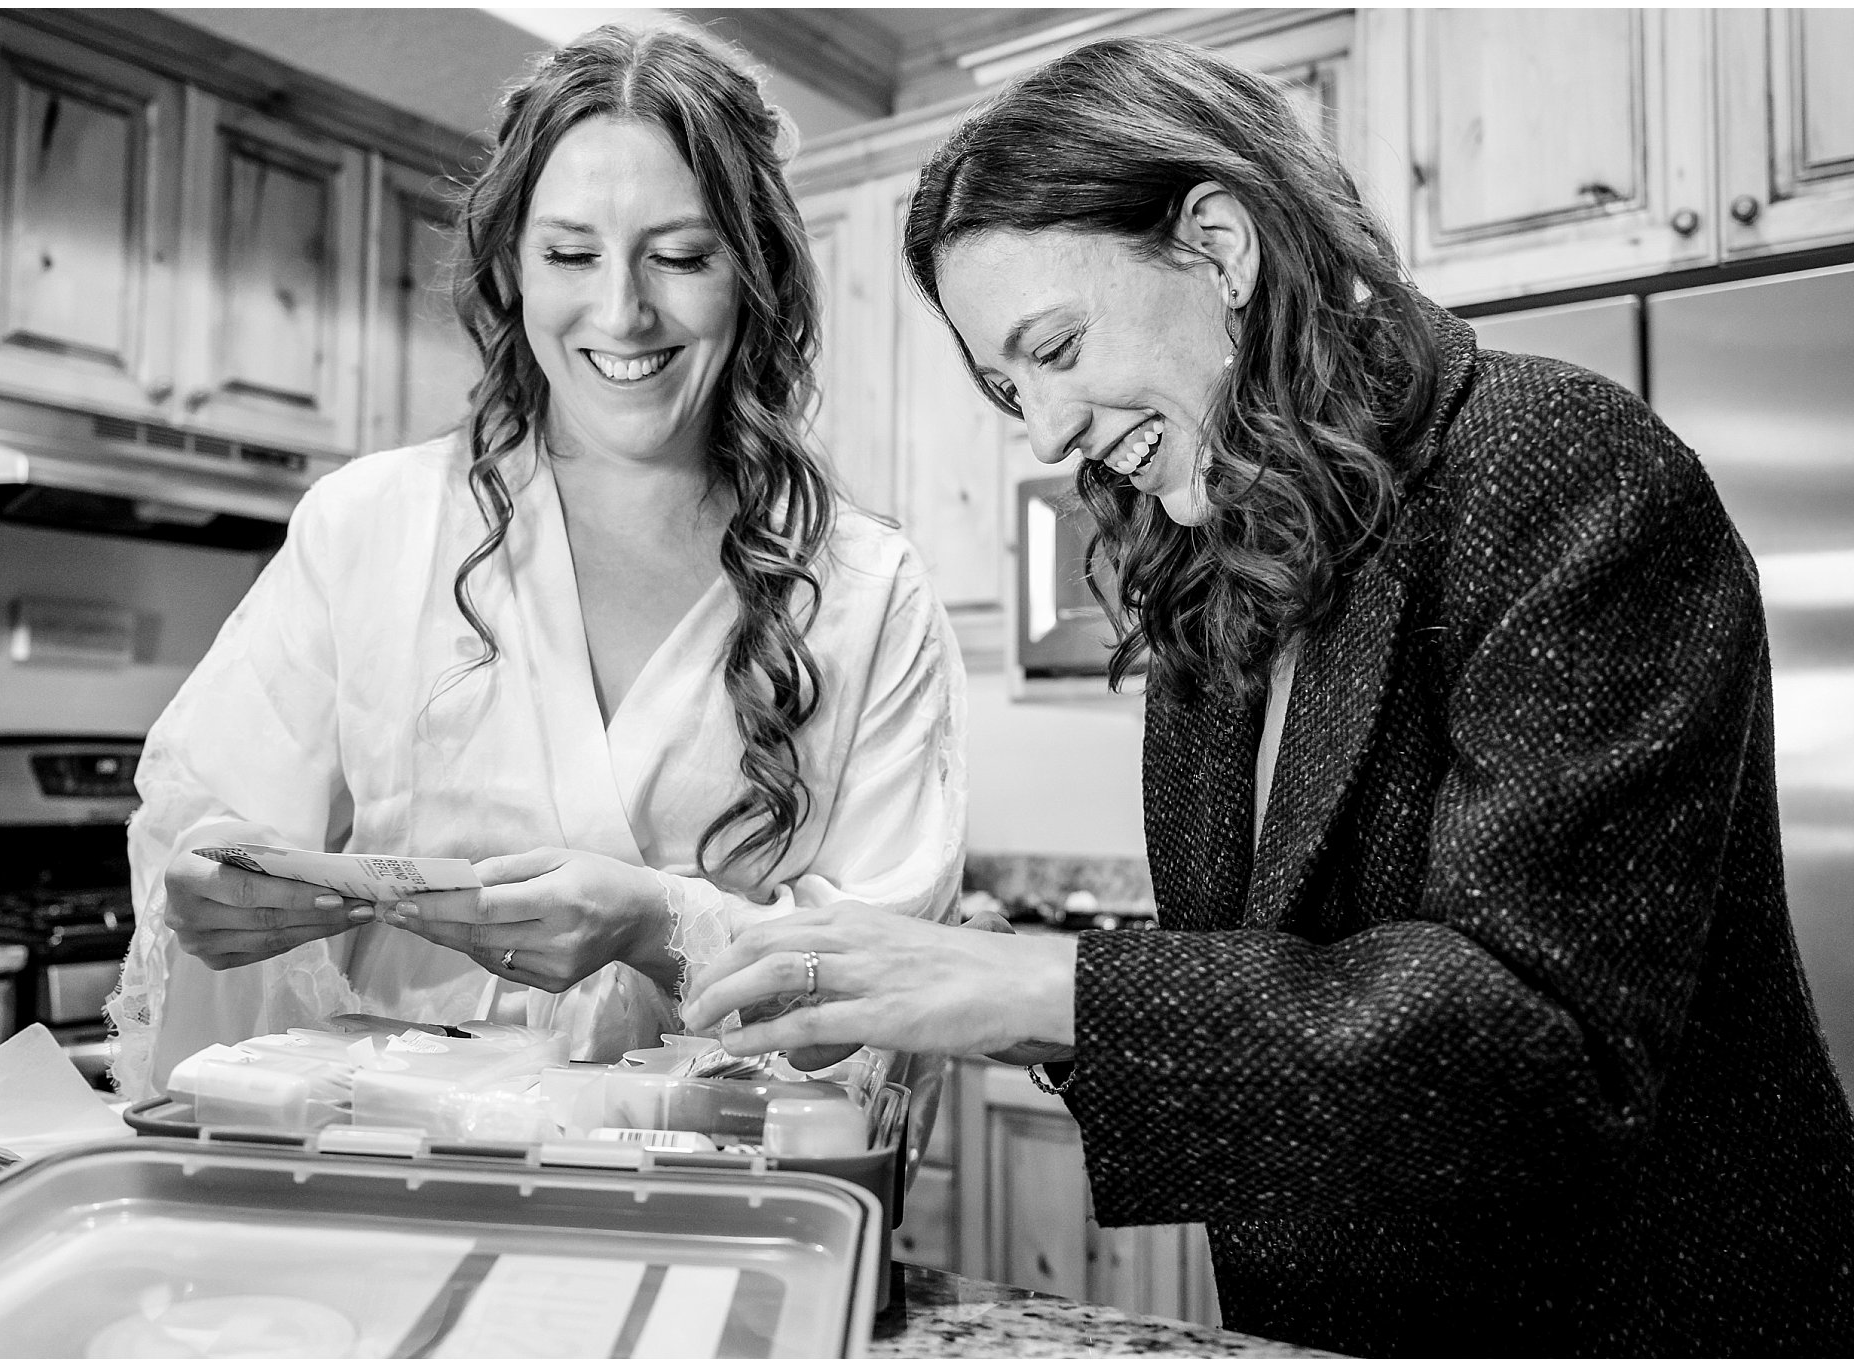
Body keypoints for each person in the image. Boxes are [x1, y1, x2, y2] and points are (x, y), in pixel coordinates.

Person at [684, 35, 1851, 1358]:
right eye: (1013, 387)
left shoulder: (1559, 469)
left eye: (1057, 346)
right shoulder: (1214, 582)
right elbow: (1266, 1005)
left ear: (1221, 248)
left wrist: (1043, 984)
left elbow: (1539, 1041)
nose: (1047, 433)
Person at [108, 23, 966, 1107]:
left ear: (754, 276)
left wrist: (661, 926)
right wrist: (212, 887)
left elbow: (898, 979)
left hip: (723, 1204)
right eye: (570, 254)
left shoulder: (863, 590)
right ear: (511, 268)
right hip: (391, 1172)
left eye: (682, 255)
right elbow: (205, 822)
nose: (621, 311)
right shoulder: (368, 525)